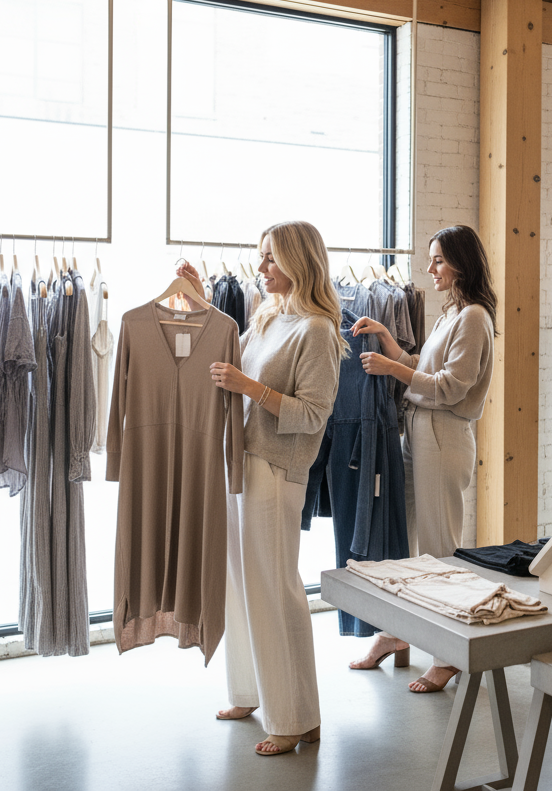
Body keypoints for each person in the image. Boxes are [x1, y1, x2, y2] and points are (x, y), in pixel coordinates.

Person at [179, 221, 346, 756]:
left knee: (275, 588)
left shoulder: (316, 331)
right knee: (241, 584)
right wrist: (200, 301)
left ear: (298, 261)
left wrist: (251, 388)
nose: (261, 267)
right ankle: (251, 693)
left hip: (275, 471)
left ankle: (296, 717)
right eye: (261, 257)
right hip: (241, 464)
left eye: (271, 258)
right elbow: (228, 355)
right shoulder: (268, 316)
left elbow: (314, 414)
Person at [346, 225, 497, 693]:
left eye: (438, 260)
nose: (429, 268)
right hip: (419, 430)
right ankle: (398, 633)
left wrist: (391, 368)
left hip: (443, 434)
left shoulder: (474, 317)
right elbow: (422, 368)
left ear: (461, 263)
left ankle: (449, 655)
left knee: (439, 547)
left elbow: (450, 387)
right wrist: (387, 339)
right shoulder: (450, 312)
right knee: (403, 537)